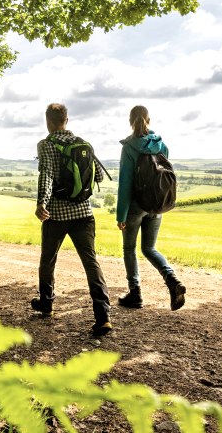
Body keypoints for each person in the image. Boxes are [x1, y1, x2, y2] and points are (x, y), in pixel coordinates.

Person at [32, 103, 112, 336]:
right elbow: (97, 175)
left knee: (48, 260)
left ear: (48, 122)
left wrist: (42, 204)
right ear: (67, 120)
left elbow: (46, 175)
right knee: (91, 263)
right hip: (84, 213)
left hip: (56, 214)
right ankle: (103, 317)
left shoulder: (46, 144)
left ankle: (46, 304)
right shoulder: (84, 144)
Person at [116, 105, 186, 311]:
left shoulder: (129, 146)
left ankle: (135, 294)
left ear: (130, 121)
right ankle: (173, 281)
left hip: (136, 206)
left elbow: (125, 183)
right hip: (157, 204)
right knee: (149, 248)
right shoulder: (161, 145)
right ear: (149, 120)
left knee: (129, 248)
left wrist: (121, 214)